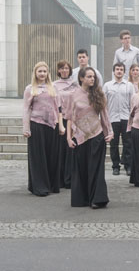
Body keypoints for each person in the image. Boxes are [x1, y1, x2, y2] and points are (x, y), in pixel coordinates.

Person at [67, 67, 113, 208]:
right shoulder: (73, 95)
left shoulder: (99, 94)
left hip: (96, 136)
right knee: (81, 169)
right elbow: (69, 118)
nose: (92, 79)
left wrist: (109, 132)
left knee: (96, 169)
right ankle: (82, 199)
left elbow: (105, 116)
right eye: (89, 76)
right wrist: (69, 138)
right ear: (81, 78)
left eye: (93, 76)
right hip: (79, 137)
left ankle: (97, 199)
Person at [23, 62, 65, 196]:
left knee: (52, 156)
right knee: (38, 157)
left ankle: (52, 185)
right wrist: (26, 128)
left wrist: (61, 125)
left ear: (48, 73)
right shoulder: (30, 89)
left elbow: (59, 109)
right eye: (40, 71)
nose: (42, 74)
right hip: (36, 125)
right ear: (35, 73)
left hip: (52, 126)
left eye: (44, 71)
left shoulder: (53, 88)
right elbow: (26, 109)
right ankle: (40, 187)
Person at [102, 63, 135, 176]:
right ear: (113, 71)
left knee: (128, 143)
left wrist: (133, 118)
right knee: (113, 144)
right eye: (117, 69)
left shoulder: (129, 85)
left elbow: (133, 102)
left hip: (126, 117)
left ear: (124, 72)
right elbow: (104, 104)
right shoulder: (107, 86)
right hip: (112, 118)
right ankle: (115, 166)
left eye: (121, 69)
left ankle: (128, 165)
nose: (119, 71)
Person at [53, 60, 79, 189]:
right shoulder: (53, 85)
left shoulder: (75, 85)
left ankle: (69, 179)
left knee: (70, 150)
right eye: (61, 68)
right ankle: (58, 179)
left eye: (66, 68)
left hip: (72, 120)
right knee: (59, 150)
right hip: (59, 119)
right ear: (58, 71)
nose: (64, 70)